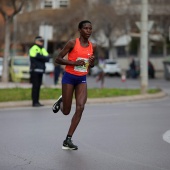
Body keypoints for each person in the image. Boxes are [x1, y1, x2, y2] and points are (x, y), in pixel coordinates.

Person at [52, 20, 96, 150]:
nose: (88, 31)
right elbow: (58, 59)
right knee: (66, 111)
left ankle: (68, 140)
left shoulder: (93, 46)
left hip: (82, 79)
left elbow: (91, 65)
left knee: (81, 107)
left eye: (90, 28)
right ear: (80, 30)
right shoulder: (72, 43)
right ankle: (61, 101)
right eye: (86, 28)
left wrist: (92, 62)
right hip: (69, 78)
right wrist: (74, 63)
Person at [29, 36, 50, 107]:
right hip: (35, 70)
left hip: (41, 70)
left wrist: (40, 57)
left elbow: (47, 58)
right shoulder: (33, 48)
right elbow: (34, 57)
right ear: (36, 41)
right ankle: (34, 102)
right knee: (35, 86)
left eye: (42, 41)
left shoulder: (42, 49)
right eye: (40, 41)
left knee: (38, 86)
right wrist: (42, 57)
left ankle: (37, 101)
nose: (42, 42)